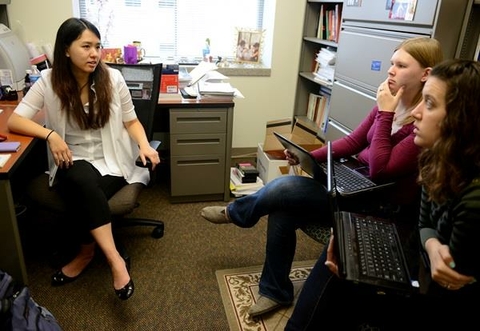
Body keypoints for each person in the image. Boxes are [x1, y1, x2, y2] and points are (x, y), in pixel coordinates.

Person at [201, 36, 443, 317]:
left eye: (401, 65)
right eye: (391, 63)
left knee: (285, 187)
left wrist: (387, 112)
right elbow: (352, 142)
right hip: (353, 188)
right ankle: (275, 291)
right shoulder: (386, 104)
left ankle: (237, 213)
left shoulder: (422, 123)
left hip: (378, 206)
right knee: (282, 210)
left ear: (426, 73)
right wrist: (309, 156)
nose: (390, 71)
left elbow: (380, 169)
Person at [286, 59, 480, 330]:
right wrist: (433, 245)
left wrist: (360, 277)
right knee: (329, 241)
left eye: (431, 104)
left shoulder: (472, 200)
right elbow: (424, 224)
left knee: (336, 291)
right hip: (412, 249)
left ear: (462, 120)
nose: (418, 113)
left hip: (428, 292)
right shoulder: (435, 160)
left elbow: (440, 294)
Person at [7, 17, 160, 300]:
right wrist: (51, 136)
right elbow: (15, 121)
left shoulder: (112, 79)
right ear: (66, 49)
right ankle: (115, 260)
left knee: (81, 191)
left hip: (112, 160)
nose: (94, 54)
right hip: (72, 159)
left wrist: (143, 145)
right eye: (86, 46)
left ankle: (85, 253)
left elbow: (132, 122)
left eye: (98, 46)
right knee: (79, 178)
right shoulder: (49, 82)